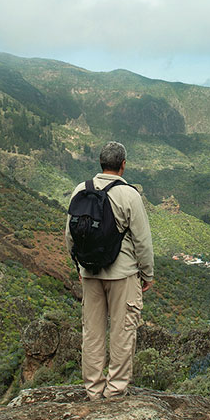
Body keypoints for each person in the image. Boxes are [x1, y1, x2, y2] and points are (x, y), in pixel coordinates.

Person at [65, 141, 154, 400]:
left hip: (90, 273)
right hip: (122, 276)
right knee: (122, 332)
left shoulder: (80, 190)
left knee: (91, 333)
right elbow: (143, 241)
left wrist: (79, 266)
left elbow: (70, 235)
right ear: (123, 165)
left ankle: (93, 390)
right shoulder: (129, 195)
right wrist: (147, 274)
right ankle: (115, 392)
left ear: (101, 164)